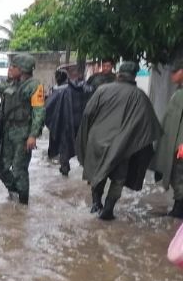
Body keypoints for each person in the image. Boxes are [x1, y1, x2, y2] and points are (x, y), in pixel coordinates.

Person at [77, 61, 162, 221]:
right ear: (134, 76)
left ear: (118, 74)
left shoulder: (102, 90)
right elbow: (150, 127)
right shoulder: (140, 96)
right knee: (118, 179)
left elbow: (87, 114)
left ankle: (96, 204)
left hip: (98, 141)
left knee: (98, 173)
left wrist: (87, 139)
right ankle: (108, 209)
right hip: (122, 146)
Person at [0, 53, 46, 205]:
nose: (10, 68)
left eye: (13, 66)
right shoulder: (12, 84)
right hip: (7, 131)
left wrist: (33, 135)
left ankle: (23, 204)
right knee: (0, 166)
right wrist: (10, 77)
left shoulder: (34, 86)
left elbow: (39, 111)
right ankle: (15, 191)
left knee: (19, 169)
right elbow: (0, 88)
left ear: (22, 69)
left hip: (23, 134)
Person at [44, 68, 89, 177]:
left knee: (65, 146)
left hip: (66, 123)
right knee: (83, 146)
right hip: (80, 122)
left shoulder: (58, 91)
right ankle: (87, 171)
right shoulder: (82, 88)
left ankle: (65, 170)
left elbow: (48, 109)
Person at [152, 59, 183, 217]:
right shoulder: (179, 91)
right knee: (175, 176)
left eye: (174, 72)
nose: (171, 75)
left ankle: (179, 211)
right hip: (174, 145)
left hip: (180, 147)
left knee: (179, 177)